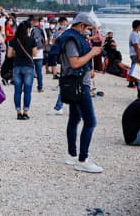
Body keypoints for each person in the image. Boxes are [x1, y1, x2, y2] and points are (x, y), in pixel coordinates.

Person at [57, 12, 103, 173]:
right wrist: (93, 53)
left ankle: (72, 155)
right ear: (81, 25)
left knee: (75, 118)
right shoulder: (72, 39)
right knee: (90, 122)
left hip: (74, 82)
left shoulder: (74, 37)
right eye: (88, 28)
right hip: (77, 84)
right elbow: (75, 63)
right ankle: (83, 159)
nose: (89, 32)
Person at [7, 21, 37, 120]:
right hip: (28, 67)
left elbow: (9, 55)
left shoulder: (13, 40)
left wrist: (17, 53)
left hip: (17, 67)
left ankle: (18, 112)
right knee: (27, 92)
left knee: (17, 91)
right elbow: (35, 54)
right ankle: (25, 112)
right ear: (27, 30)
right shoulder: (32, 40)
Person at [29, 16, 46, 93]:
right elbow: (45, 41)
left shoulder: (31, 29)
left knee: (30, 71)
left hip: (32, 53)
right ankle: (40, 87)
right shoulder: (42, 30)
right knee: (39, 71)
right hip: (40, 53)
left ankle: (27, 87)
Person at [128, 19, 140, 88]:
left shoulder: (135, 33)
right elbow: (136, 45)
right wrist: (139, 55)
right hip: (135, 54)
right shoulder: (134, 34)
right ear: (138, 26)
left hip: (134, 53)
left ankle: (133, 82)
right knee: (135, 68)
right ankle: (132, 82)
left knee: (135, 68)